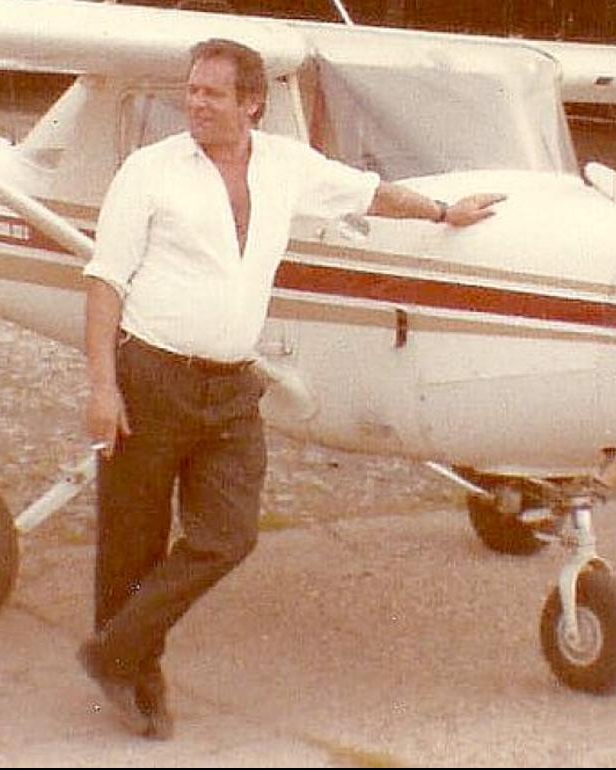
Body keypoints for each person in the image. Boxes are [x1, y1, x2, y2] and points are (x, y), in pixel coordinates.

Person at [78, 38, 503, 740]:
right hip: (150, 374)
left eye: (213, 93)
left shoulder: (286, 166)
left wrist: (441, 212)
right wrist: (102, 385)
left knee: (230, 536)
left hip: (233, 385)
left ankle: (113, 652)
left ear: (252, 102)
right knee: (133, 539)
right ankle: (136, 674)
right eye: (191, 90)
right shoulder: (148, 171)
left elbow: (368, 192)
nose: (196, 103)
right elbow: (105, 278)